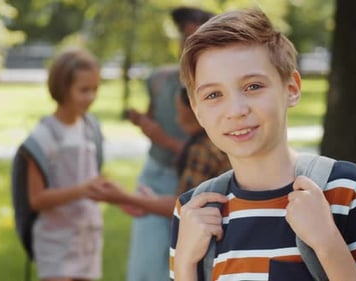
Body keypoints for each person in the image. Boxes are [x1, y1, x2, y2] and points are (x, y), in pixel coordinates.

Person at [170, 8, 356, 281]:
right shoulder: (193, 211)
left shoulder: (344, 189)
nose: (235, 110)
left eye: (253, 86)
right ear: (197, 110)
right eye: (213, 94)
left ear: (291, 88)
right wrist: (185, 264)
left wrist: (327, 242)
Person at [123, 6, 215, 281]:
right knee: (145, 265)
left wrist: (164, 140)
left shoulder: (215, 85)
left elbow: (209, 151)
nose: (187, 44)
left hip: (195, 178)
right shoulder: (160, 79)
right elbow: (154, 116)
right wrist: (143, 122)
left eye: (196, 36)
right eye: (184, 37)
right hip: (157, 173)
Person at [25, 47, 104, 281]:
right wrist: (82, 190)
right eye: (83, 90)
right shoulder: (43, 137)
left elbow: (93, 176)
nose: (91, 97)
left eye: (95, 89)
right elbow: (36, 199)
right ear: (62, 88)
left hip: (87, 238)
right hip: (56, 242)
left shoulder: (91, 129)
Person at [92, 87, 231, 218]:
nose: (177, 119)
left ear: (194, 111)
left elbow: (186, 206)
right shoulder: (218, 140)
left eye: (179, 111)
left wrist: (124, 198)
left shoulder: (201, 150)